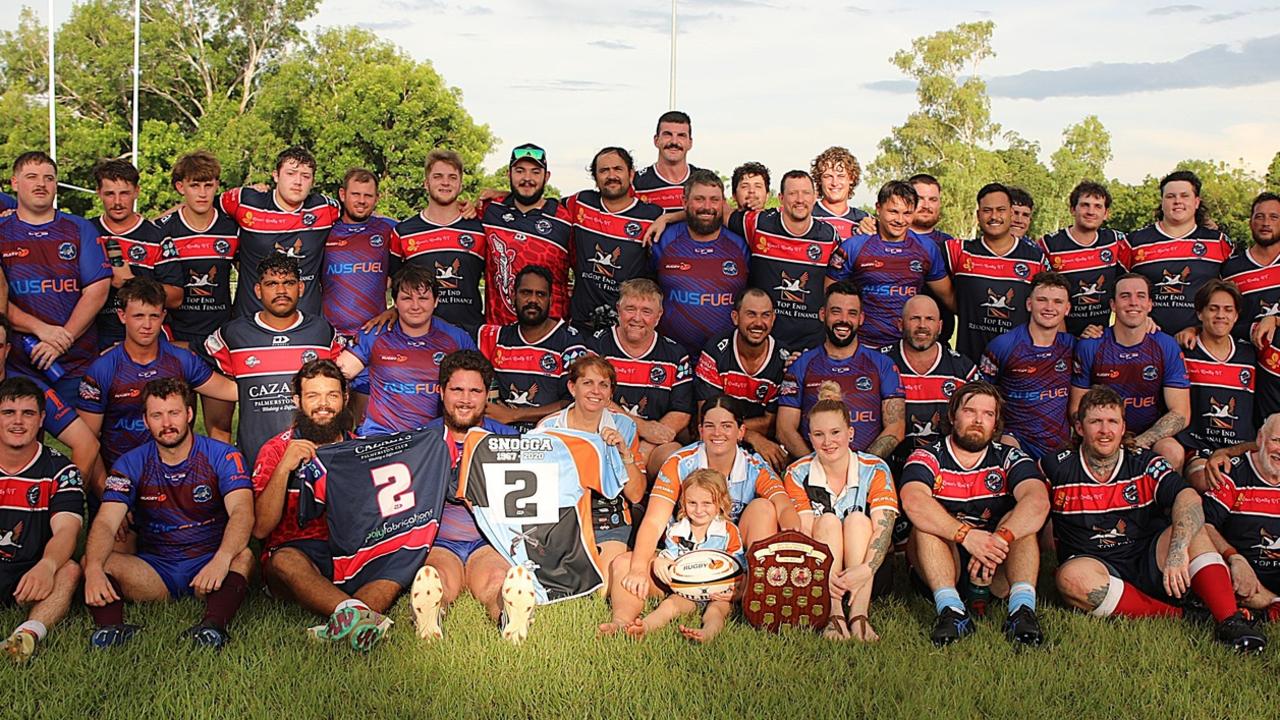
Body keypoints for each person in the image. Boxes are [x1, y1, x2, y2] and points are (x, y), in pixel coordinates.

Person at [1043, 385, 1265, 652]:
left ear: (1123, 427)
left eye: (1113, 421)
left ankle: (1230, 619)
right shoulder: (1055, 465)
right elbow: (1030, 501)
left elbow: (1188, 497)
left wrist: (1177, 551)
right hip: (1094, 562)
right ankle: (1183, 615)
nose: (1105, 431)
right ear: (1080, 428)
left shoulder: (1145, 462)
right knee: (1071, 578)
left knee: (1191, 527)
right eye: (1096, 422)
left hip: (1148, 557)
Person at [599, 395, 804, 635]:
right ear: (700, 430)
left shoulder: (754, 466)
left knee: (764, 507)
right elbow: (654, 521)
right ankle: (622, 622)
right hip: (679, 561)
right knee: (625, 563)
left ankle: (753, 588)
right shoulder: (680, 462)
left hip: (731, 565)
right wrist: (638, 568)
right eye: (710, 425)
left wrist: (793, 540)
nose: (718, 433)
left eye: (727, 426)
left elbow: (785, 507)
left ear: (740, 431)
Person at [82, 378, 255, 650]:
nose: (166, 423)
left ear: (189, 414)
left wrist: (221, 559)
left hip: (208, 563)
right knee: (96, 561)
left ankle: (212, 627)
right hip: (157, 570)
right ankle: (111, 629)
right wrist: (92, 570)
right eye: (157, 415)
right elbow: (106, 521)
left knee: (242, 556)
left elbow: (243, 512)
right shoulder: (130, 462)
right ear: (145, 420)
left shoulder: (223, 455)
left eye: (174, 413)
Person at [252, 360, 393, 652]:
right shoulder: (276, 448)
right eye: (313, 396)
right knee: (284, 562)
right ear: (297, 401)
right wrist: (283, 469)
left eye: (331, 395)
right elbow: (260, 528)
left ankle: (346, 619)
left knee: (399, 558)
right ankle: (361, 614)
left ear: (345, 398)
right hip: (298, 553)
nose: (323, 405)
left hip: (348, 552)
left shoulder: (360, 449)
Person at [899, 382, 1050, 647]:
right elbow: (913, 501)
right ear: (952, 415)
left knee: (1021, 522)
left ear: (995, 422)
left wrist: (1000, 539)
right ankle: (951, 611)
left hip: (996, 563)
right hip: (947, 562)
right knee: (924, 526)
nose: (979, 420)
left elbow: (1037, 501)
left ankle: (1022, 611)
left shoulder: (1008, 456)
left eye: (988, 414)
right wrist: (967, 536)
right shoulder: (928, 455)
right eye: (970, 411)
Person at [408, 350, 528, 643]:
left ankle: (508, 617)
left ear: (488, 395)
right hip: (440, 539)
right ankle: (432, 616)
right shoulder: (419, 440)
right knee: (436, 577)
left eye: (475, 391)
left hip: (486, 539)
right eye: (457, 389)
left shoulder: (507, 440)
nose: (465, 399)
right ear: (441, 392)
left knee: (498, 581)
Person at [77, 278, 237, 485]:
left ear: (163, 316)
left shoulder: (181, 359)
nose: (147, 325)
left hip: (174, 482)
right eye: (138, 316)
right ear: (122, 316)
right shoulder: (101, 370)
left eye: (154, 316)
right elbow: (87, 443)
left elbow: (232, 391)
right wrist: (108, 492)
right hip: (122, 478)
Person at [204, 253, 343, 467]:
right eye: (271, 284)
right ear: (258, 290)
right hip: (255, 460)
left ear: (301, 288)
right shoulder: (232, 335)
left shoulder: (323, 333)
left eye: (288, 283)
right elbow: (216, 412)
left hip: (317, 460)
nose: (281, 291)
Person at [784, 385, 898, 642]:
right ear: (810, 437)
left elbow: (884, 527)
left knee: (858, 519)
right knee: (827, 520)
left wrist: (866, 569)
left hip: (870, 570)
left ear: (850, 433)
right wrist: (826, 576)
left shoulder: (874, 468)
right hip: (820, 572)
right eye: (819, 434)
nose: (828, 442)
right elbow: (805, 533)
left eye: (835, 432)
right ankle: (833, 613)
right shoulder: (796, 473)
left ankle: (859, 614)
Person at [0, 151, 111, 405]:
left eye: (49, 178)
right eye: (32, 177)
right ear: (15, 183)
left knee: (88, 442)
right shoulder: (3, 231)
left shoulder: (79, 227)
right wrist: (41, 329)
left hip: (78, 362)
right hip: (20, 363)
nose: (41, 184)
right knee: (20, 440)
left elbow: (97, 290)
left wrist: (62, 339)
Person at [537, 356, 648, 589]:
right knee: (561, 587)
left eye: (603, 385)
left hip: (606, 516)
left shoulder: (625, 426)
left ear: (610, 393)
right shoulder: (548, 428)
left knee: (600, 587)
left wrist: (623, 452)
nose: (595, 391)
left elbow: (636, 495)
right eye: (587, 383)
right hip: (562, 518)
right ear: (572, 387)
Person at [153, 150, 239, 443]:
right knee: (174, 430)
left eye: (209, 185)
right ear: (181, 187)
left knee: (221, 429)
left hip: (219, 341)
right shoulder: (163, 230)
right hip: (176, 340)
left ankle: (220, 487)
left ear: (217, 185)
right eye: (194, 185)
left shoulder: (232, 229)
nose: (202, 193)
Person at [0, 377, 84, 663]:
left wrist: (47, 566)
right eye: (8, 413)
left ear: (42, 419)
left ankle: (26, 635)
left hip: (30, 573)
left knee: (69, 569)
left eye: (28, 413)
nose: (18, 422)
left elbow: (66, 530)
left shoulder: (61, 469)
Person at [335, 264, 475, 435]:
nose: (415, 306)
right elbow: (336, 375)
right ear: (395, 303)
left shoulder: (457, 338)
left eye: (423, 298)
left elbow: (478, 388)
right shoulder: (375, 335)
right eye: (407, 298)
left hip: (433, 440)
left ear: (436, 301)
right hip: (381, 437)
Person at [1070, 273, 1190, 468]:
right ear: (1113, 305)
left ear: (1150, 304)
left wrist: (1137, 443)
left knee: (1173, 452)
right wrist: (1106, 438)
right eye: (1125, 296)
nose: (1133, 302)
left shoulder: (1165, 345)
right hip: (1101, 435)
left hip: (1148, 436)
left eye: (1140, 296)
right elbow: (1076, 409)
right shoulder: (1091, 345)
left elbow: (1181, 413)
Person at [777, 281, 905, 460]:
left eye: (852, 313)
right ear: (823, 314)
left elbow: (896, 428)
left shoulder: (883, 365)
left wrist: (860, 467)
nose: (844, 320)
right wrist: (816, 467)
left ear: (861, 318)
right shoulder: (801, 365)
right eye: (836, 311)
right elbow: (785, 429)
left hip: (866, 474)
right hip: (813, 475)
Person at [826, 180, 954, 350]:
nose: (900, 220)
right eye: (893, 212)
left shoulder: (927, 248)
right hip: (863, 346)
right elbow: (829, 296)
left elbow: (949, 297)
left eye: (907, 213)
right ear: (878, 208)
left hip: (906, 348)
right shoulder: (854, 246)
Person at [623, 469, 742, 644]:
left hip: (719, 592)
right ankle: (644, 627)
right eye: (692, 503)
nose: (699, 510)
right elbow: (669, 556)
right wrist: (660, 561)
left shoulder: (728, 531)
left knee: (715, 611)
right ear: (683, 502)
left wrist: (737, 590)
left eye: (707, 503)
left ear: (720, 503)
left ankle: (707, 633)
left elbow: (740, 563)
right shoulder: (677, 531)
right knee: (669, 605)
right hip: (687, 591)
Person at [587, 278, 693, 474]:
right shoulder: (597, 346)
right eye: (630, 309)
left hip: (651, 447)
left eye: (646, 311)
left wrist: (644, 448)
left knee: (674, 455)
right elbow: (590, 398)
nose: (637, 318)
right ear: (618, 309)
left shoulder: (675, 354)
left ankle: (652, 503)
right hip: (602, 437)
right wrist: (641, 428)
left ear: (659, 316)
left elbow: (682, 411)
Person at [220, 146, 340, 317]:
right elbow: (200, 207)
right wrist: (166, 220)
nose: (298, 182)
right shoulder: (246, 201)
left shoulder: (324, 208)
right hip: (250, 323)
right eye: (290, 174)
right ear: (275, 176)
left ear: (312, 181)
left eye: (305, 176)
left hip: (305, 325)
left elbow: (363, 211)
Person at [730, 170, 841, 351]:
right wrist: (668, 219)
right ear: (781, 198)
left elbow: (838, 283)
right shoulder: (759, 223)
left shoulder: (829, 236)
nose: (799, 199)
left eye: (806, 193)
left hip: (811, 343)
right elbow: (717, 212)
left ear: (814, 197)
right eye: (792, 193)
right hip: (765, 340)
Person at [1118, 170, 1233, 335]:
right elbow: (1116, 290)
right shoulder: (1135, 242)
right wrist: (1139, 317)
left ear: (1196, 202)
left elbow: (1231, 295)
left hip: (1200, 341)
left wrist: (1199, 328)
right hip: (1146, 339)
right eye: (1170, 196)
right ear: (1162, 202)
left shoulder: (1218, 242)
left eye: (1184, 196)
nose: (1177, 201)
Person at [945, 182, 1050, 362]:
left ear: (1011, 213)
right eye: (987, 210)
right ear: (978, 215)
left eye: (1001, 210)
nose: (994, 216)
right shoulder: (958, 251)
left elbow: (1050, 307)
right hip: (970, 366)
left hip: (1019, 366)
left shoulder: (1035, 259)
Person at [650, 169, 750, 355]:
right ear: (684, 202)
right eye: (699, 199)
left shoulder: (741, 244)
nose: (707, 206)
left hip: (724, 358)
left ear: (723, 203)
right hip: (671, 355)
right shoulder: (663, 240)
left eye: (714, 200)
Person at [388, 149, 488, 334]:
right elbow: (392, 284)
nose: (445, 182)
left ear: (461, 184)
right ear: (426, 183)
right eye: (438, 176)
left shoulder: (480, 229)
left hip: (470, 334)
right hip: (419, 337)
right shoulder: (403, 232)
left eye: (452, 177)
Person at [979, 271, 1075, 460]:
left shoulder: (1074, 346)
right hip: (1016, 442)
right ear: (1029, 304)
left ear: (1067, 308)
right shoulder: (1002, 346)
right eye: (1042, 300)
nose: (1049, 307)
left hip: (1060, 447)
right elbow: (981, 393)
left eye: (1057, 302)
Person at [478, 265, 588, 430]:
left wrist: (513, 415)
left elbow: (574, 401)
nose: (533, 300)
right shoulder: (498, 338)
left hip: (550, 439)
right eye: (526, 293)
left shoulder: (569, 341)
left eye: (541, 294)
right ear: (513, 296)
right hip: (503, 439)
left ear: (550, 300)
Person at [567, 146, 664, 333]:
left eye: (618, 169)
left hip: (627, 328)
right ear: (595, 179)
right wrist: (503, 195)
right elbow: (543, 205)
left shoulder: (652, 215)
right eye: (604, 171)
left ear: (631, 174)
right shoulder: (581, 202)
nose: (611, 175)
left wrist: (668, 218)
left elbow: (693, 217)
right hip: (581, 325)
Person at [89, 159, 183, 348]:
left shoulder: (157, 236)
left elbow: (176, 297)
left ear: (137, 191)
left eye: (124, 193)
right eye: (109, 194)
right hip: (94, 337)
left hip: (147, 338)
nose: (117, 202)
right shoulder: (86, 232)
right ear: (98, 193)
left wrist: (129, 282)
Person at [694, 288, 791, 470]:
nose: (759, 323)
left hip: (762, 448)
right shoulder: (715, 351)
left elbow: (773, 424)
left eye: (765, 315)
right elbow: (708, 420)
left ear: (773, 319)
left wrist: (737, 430)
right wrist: (753, 436)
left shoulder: (784, 360)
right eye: (751, 315)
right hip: (719, 442)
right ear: (735, 317)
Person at [479, 144, 573, 326]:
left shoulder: (566, 217)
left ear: (546, 177)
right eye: (520, 171)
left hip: (550, 336)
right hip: (500, 334)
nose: (527, 178)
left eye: (535, 172)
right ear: (509, 174)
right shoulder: (490, 209)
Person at [1177, 280, 1256, 492]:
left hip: (1242, 449)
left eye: (1228, 310)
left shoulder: (1251, 355)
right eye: (1213, 309)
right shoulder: (1184, 351)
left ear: (1237, 315)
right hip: (1198, 449)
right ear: (1200, 314)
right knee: (1210, 484)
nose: (1221, 315)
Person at [882, 295, 977, 470]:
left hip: (947, 469)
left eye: (929, 319)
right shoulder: (881, 363)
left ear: (940, 327)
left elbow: (984, 420)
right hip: (892, 467)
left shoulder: (962, 368)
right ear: (900, 324)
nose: (922, 326)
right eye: (915, 318)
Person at [1203, 412, 1280, 621]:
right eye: (1276, 440)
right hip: (1243, 572)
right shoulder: (1232, 471)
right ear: (1260, 439)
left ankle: (1272, 603)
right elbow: (1205, 525)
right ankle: (1271, 603)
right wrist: (1233, 557)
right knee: (1222, 575)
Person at [1038, 181, 1125, 336]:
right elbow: (1041, 296)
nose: (1091, 211)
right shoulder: (1050, 244)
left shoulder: (1115, 241)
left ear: (1106, 214)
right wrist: (1064, 340)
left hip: (1102, 337)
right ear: (1073, 209)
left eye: (1098, 206)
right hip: (1060, 337)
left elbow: (1127, 288)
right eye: (1085, 205)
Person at [322, 168, 395, 345]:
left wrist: (397, 309)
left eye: (368, 196)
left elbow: (414, 272)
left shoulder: (390, 229)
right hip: (329, 337)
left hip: (374, 336)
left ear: (377, 198)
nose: (361, 201)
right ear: (342, 194)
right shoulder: (324, 230)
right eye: (355, 194)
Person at [1219, 192, 1280, 341]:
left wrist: (1275, 320)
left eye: (1274, 217)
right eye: (1259, 217)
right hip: (1248, 358)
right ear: (1250, 222)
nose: (1266, 223)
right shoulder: (1230, 269)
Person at [909, 174, 957, 343]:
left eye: (933, 199)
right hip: (891, 340)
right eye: (920, 199)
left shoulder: (951, 246)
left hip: (939, 342)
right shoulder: (885, 237)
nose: (927, 205)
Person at [633, 110, 701, 213]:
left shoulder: (703, 180)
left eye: (681, 135)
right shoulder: (636, 183)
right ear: (656, 140)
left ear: (690, 143)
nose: (674, 142)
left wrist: (667, 219)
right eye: (667, 135)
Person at [810, 146, 876, 239]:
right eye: (828, 176)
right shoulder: (807, 216)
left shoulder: (865, 220)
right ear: (819, 180)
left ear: (851, 179)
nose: (834, 183)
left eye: (841, 176)